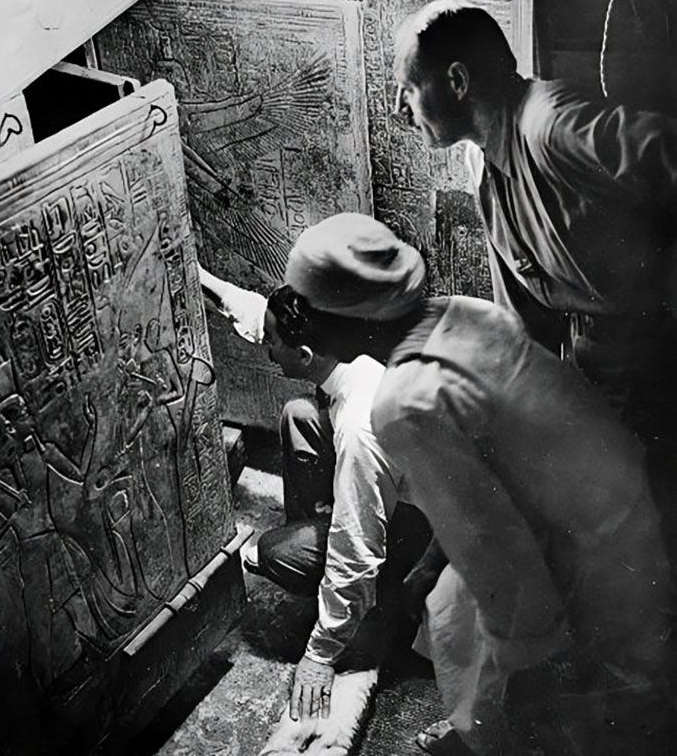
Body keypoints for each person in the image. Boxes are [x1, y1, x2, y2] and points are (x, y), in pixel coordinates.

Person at [281, 212, 674, 755]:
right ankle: (489, 721)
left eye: (315, 314)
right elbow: (490, 469)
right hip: (622, 486)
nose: (311, 331)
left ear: (351, 319)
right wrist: (431, 565)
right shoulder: (463, 314)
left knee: (561, 687)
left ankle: (510, 732)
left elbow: (495, 546)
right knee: (450, 604)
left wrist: (528, 656)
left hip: (590, 542)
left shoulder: (406, 402)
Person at [392, 0, 677, 468]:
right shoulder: (482, 162)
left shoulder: (551, 126)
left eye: (408, 88)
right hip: (597, 374)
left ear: (458, 82)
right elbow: (521, 323)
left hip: (655, 369)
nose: (399, 108)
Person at [198, 267, 430, 722]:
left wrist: (320, 656)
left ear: (303, 355)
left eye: (272, 342)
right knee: (299, 414)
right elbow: (262, 311)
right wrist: (204, 279)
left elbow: (357, 551)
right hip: (406, 490)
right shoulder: (345, 346)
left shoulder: (361, 427)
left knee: (276, 552)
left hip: (427, 534)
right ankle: (328, 537)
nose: (267, 349)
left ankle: (372, 604)